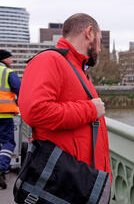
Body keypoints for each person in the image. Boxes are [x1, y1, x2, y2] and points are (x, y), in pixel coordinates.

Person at [18, 13, 111, 181]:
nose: (99, 49)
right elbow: (35, 111)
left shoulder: (77, 69)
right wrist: (91, 109)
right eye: (100, 39)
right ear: (89, 33)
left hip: (81, 180)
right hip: (65, 181)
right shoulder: (49, 59)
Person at [0, 50, 21, 189]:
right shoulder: (7, 72)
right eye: (10, 58)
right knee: (8, 142)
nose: (12, 60)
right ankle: (1, 167)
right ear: (4, 59)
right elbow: (21, 90)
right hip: (4, 114)